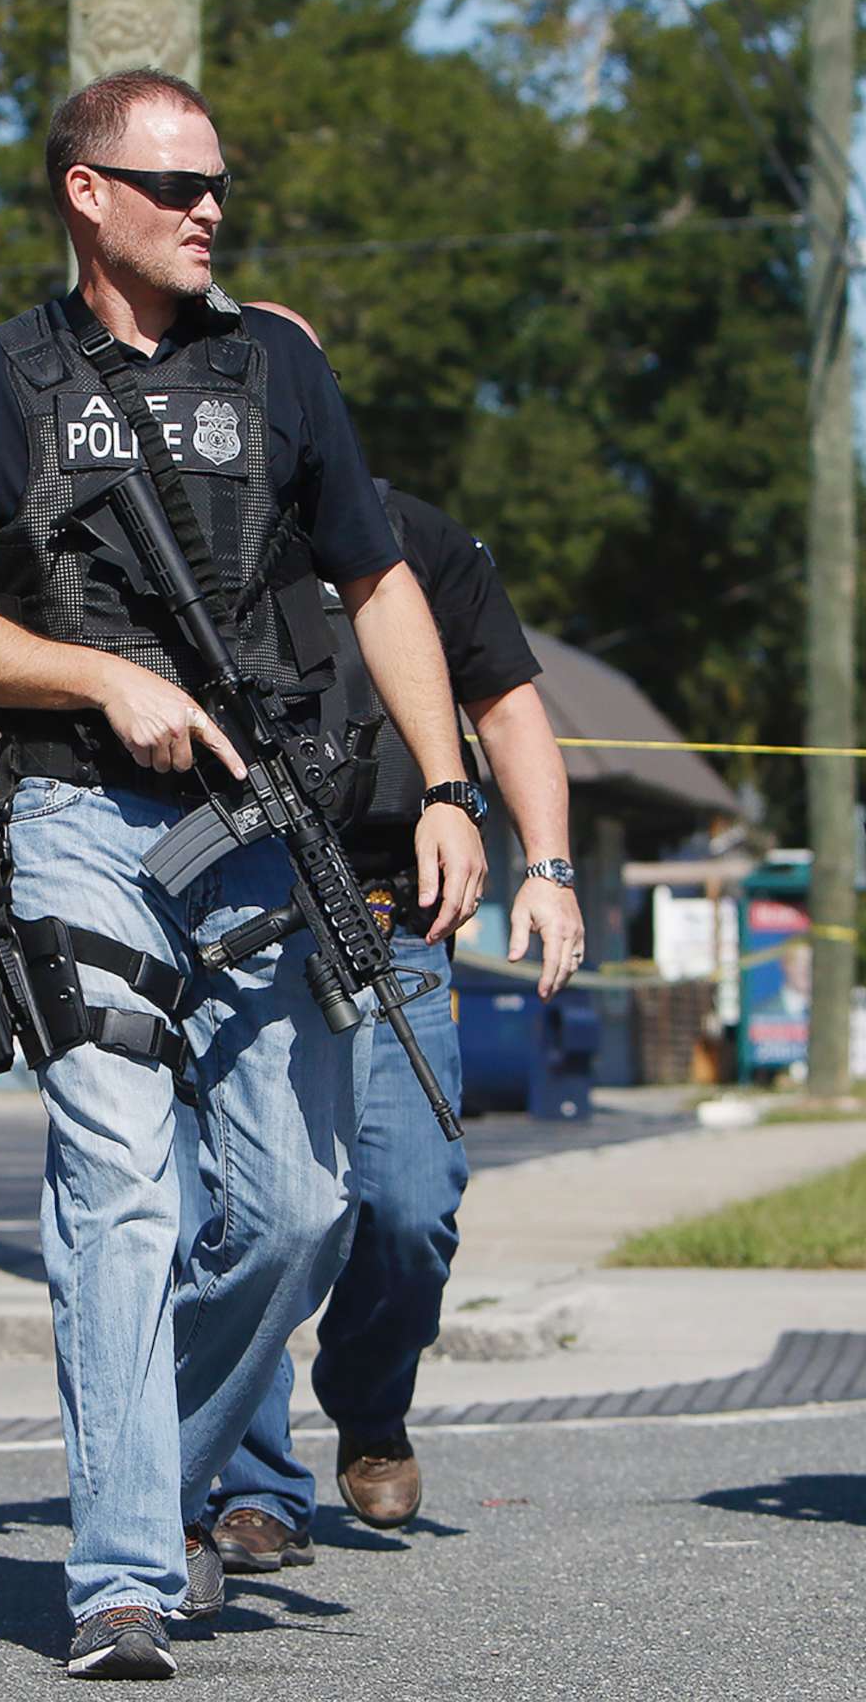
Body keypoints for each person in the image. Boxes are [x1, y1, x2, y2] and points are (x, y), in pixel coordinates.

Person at [0, 71, 482, 1678]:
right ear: (88, 195)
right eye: (177, 183)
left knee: (299, 1210)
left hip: (265, 827)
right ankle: (125, 1573)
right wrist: (99, 679)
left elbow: (379, 580)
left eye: (221, 182)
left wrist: (451, 786)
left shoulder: (275, 368)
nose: (211, 208)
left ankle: (162, 1453)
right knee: (123, 1203)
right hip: (78, 817)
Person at [201, 307, 583, 1571]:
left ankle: (370, 1406)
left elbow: (510, 708)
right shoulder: (190, 537)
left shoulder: (413, 538)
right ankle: (255, 1483)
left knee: (410, 1209)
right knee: (259, 1215)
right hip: (242, 927)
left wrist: (553, 869)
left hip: (397, 924)